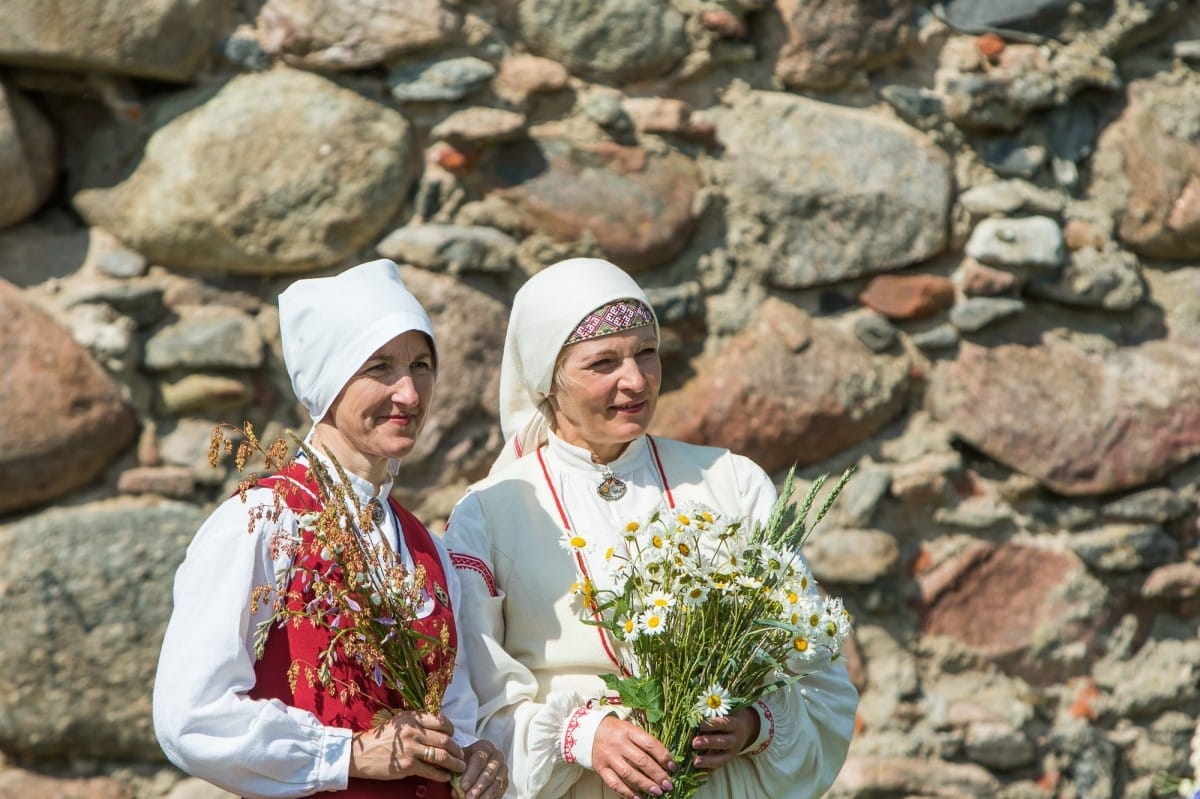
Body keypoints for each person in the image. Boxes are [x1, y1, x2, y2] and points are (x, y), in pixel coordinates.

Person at [443, 257, 859, 799]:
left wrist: (752, 724)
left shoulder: (731, 483)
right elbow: (468, 708)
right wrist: (583, 734)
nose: (635, 380)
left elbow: (821, 682)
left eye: (646, 353)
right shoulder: (489, 512)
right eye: (602, 363)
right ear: (549, 381)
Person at [153, 259, 508, 799]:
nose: (410, 394)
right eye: (379, 368)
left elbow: (453, 716)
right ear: (328, 380)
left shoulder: (425, 547)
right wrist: (341, 754)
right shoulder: (265, 522)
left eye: (421, 365)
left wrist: (472, 753)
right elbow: (191, 717)